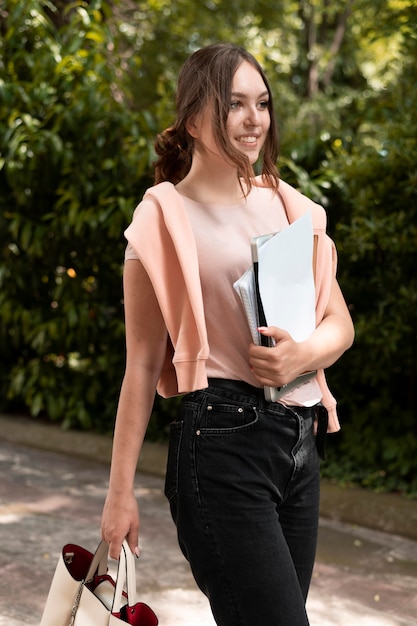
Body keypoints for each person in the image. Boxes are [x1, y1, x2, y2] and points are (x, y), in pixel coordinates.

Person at [101, 42, 354, 626]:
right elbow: (141, 364)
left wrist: (302, 355)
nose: (253, 119)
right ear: (193, 118)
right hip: (220, 446)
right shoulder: (162, 219)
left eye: (261, 103)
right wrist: (119, 493)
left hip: (299, 443)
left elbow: (338, 324)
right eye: (233, 104)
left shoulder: (288, 207)